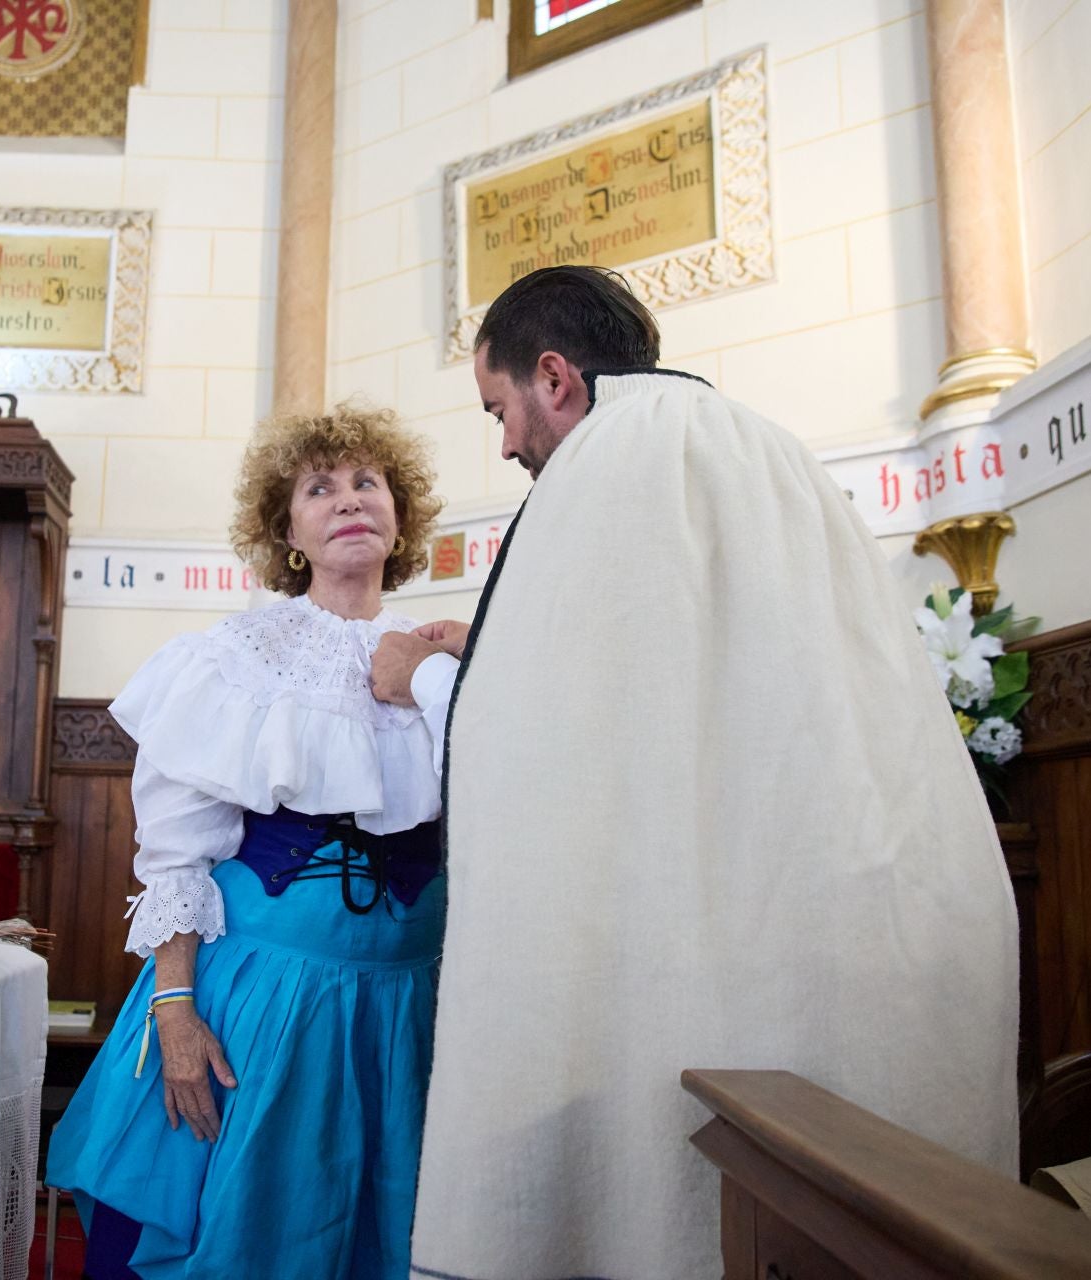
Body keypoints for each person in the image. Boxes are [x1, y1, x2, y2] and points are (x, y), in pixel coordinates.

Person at [371, 265, 1019, 1280]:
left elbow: (548, 739)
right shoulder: (771, 446)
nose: (504, 443)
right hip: (836, 911)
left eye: (498, 410)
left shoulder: (601, 464)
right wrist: (487, 649)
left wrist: (423, 676)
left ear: (555, 377)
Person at [47, 403, 451, 1280]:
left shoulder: (445, 661)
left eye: (368, 482)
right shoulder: (235, 658)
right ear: (289, 532)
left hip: (406, 1015)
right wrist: (174, 1009)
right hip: (262, 1006)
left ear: (400, 515)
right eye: (319, 489)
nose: (350, 499)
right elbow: (177, 854)